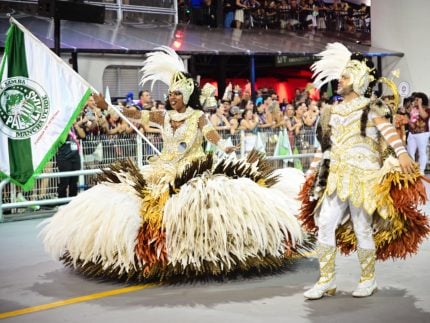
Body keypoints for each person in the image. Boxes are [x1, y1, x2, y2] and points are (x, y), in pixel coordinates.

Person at [40, 47, 305, 282]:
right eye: (171, 93)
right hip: (161, 169)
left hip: (191, 170)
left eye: (177, 93)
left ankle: (199, 250)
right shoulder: (163, 115)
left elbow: (211, 134)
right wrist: (107, 105)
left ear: (187, 95)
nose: (173, 97)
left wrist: (225, 146)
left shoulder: (197, 117)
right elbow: (134, 113)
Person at [299, 43, 430, 300]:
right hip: (336, 178)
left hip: (365, 177)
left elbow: (388, 132)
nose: (340, 80)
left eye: (346, 76)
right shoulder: (331, 111)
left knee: (362, 228)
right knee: (324, 223)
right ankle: (326, 280)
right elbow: (325, 148)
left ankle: (368, 279)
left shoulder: (372, 107)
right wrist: (311, 173)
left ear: (359, 79)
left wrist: (402, 154)